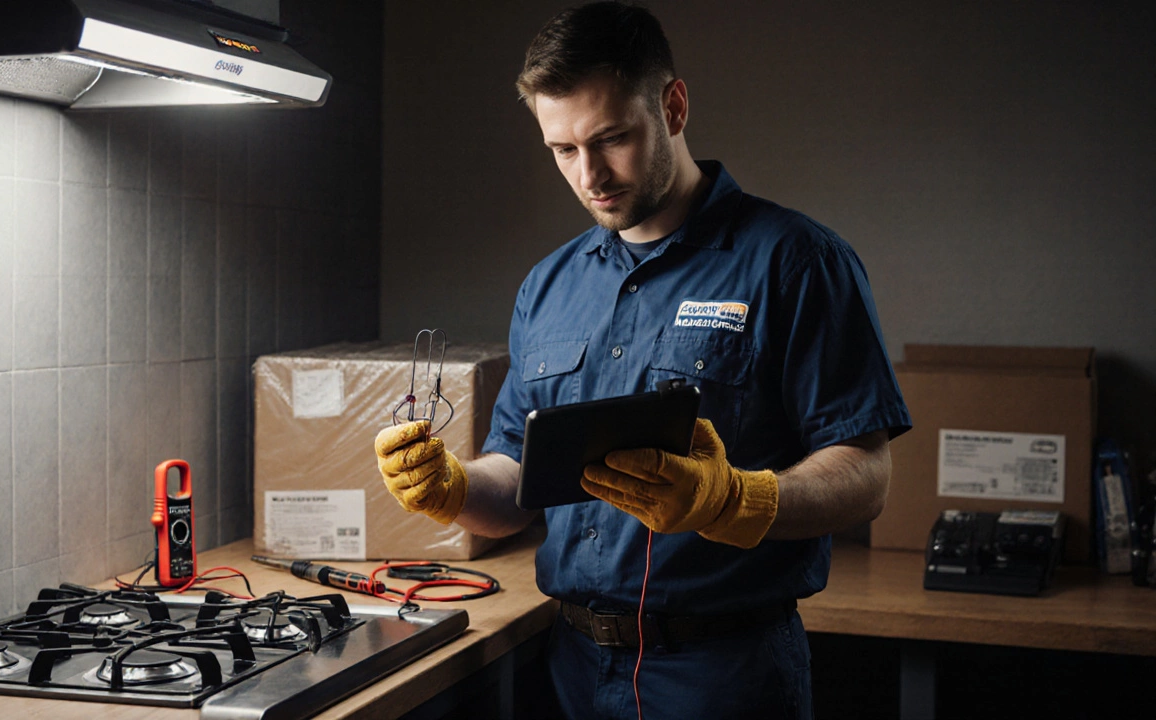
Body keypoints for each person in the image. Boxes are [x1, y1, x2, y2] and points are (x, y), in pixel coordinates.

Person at [375, 3, 912, 718]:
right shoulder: (548, 285)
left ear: (674, 105)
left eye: (613, 138)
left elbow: (866, 474)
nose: (589, 173)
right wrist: (451, 487)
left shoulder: (797, 262)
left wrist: (735, 501)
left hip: (725, 676)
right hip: (567, 667)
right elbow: (518, 476)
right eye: (563, 150)